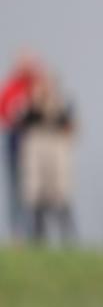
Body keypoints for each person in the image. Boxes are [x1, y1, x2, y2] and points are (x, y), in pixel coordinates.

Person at [19, 73, 76, 243]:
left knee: (61, 195)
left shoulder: (63, 105)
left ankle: (68, 237)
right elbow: (22, 123)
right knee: (37, 196)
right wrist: (35, 105)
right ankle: (38, 236)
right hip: (37, 155)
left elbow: (69, 126)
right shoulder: (30, 106)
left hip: (57, 155)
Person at [0, 49, 40, 240]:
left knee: (34, 190)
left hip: (36, 144)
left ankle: (36, 232)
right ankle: (17, 233)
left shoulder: (39, 85)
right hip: (15, 141)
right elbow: (3, 113)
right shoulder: (10, 87)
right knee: (15, 188)